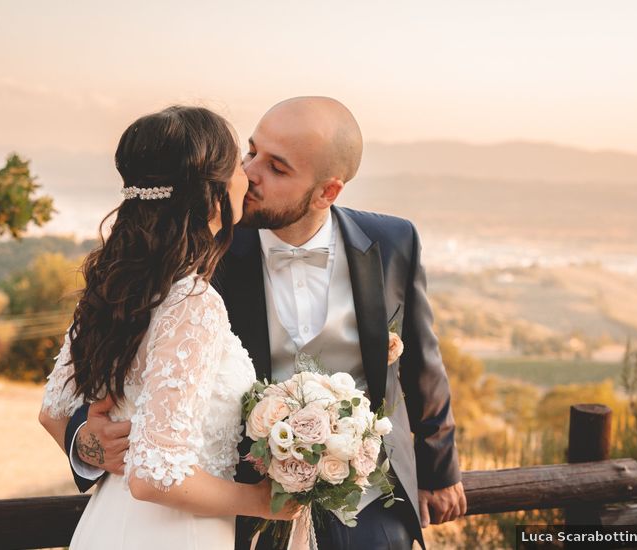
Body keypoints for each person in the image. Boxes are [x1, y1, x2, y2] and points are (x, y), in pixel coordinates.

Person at [57, 97, 467, 549]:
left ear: (327, 192)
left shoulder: (393, 241)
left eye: (277, 167)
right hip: (241, 512)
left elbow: (423, 365)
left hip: (372, 504)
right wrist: (84, 443)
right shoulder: (200, 256)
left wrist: (439, 469)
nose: (250, 172)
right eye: (251, 152)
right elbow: (115, 368)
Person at [38, 105, 301, 550]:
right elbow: (152, 478)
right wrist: (260, 502)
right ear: (213, 193)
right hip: (175, 535)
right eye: (237, 161)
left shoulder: (113, 286)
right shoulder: (192, 302)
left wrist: (88, 444)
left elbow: (54, 412)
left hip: (109, 526)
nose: (246, 175)